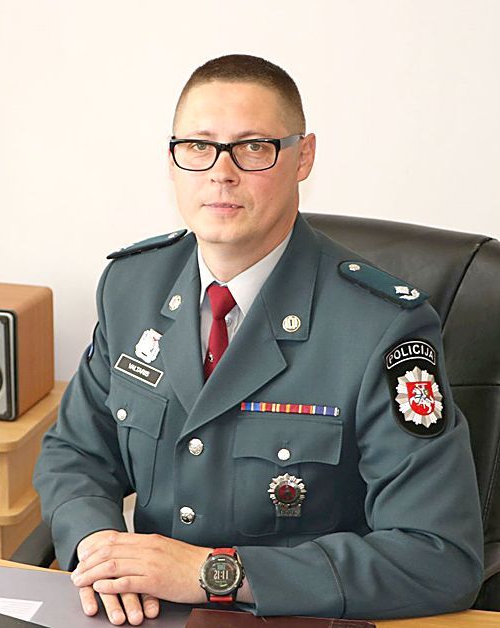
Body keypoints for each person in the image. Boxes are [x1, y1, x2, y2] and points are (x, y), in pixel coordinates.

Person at [33, 54, 483, 625]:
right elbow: (76, 452)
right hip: (148, 614)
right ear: (172, 159)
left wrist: (213, 573)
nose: (221, 172)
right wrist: (97, 545)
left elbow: (438, 558)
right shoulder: (131, 285)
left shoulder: (381, 327)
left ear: (304, 156)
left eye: (252, 147)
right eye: (198, 146)